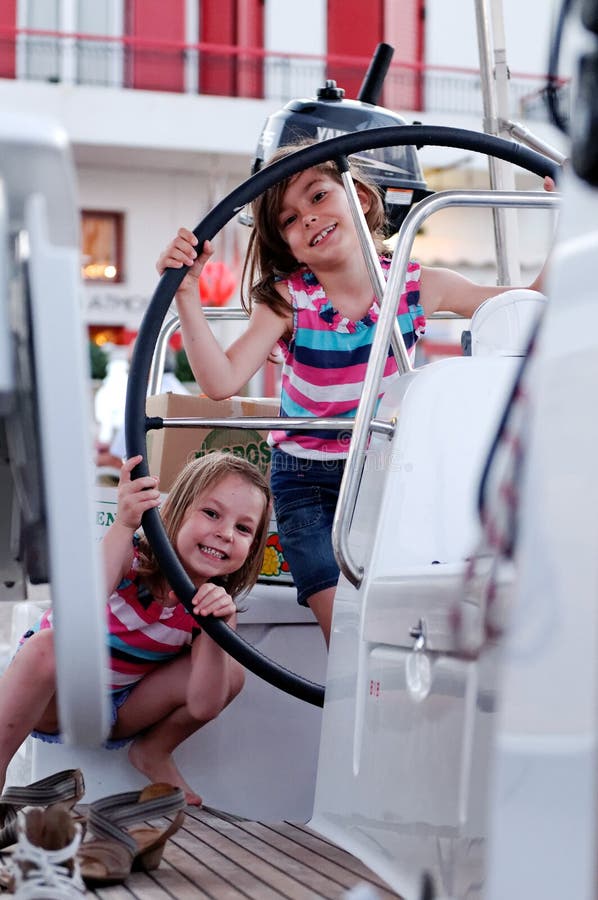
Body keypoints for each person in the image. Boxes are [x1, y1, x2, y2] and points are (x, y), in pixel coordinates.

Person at [156, 140, 553, 647]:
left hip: (388, 469)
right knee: (346, 632)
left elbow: (528, 306)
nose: (310, 219)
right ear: (288, 245)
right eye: (290, 219)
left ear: (359, 197)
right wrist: (186, 294)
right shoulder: (288, 298)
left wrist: (568, 220)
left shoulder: (416, 284)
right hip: (306, 480)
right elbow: (220, 381)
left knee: (400, 617)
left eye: (318, 196)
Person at [0, 452, 271, 805]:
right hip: (56, 699)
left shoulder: (212, 605)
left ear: (251, 550)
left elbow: (204, 704)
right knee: (46, 646)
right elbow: (80, 614)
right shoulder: (130, 555)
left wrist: (215, 630)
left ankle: (152, 752)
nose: (224, 534)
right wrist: (124, 524)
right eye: (211, 513)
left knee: (232, 672)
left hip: (120, 713)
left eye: (243, 528)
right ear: (174, 512)